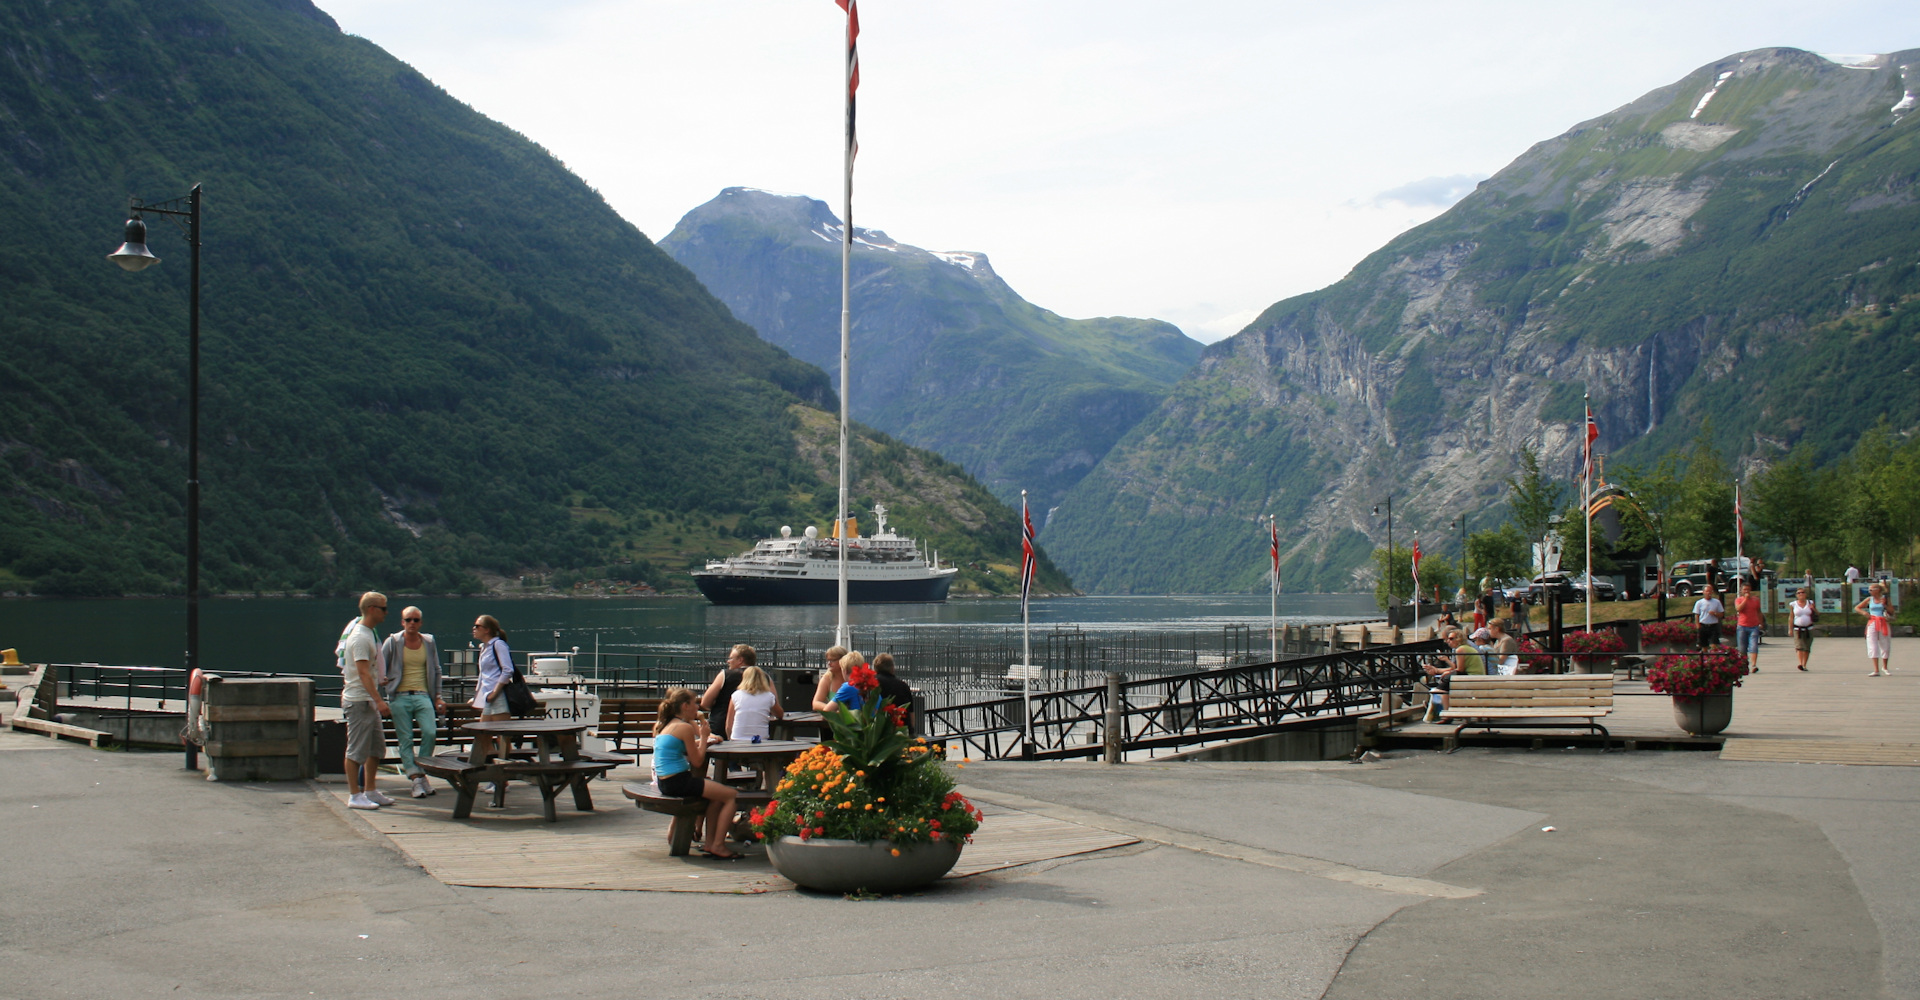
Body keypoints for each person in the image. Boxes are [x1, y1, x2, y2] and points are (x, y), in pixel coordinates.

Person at [651, 688, 741, 859]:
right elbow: (698, 761)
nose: (698, 707)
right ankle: (718, 845)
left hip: (666, 781)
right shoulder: (683, 727)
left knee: (715, 797)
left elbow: (685, 748)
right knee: (732, 796)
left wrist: (701, 740)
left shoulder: (668, 724)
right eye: (694, 703)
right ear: (685, 706)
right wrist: (705, 737)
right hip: (678, 781)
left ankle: (710, 844)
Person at [380, 606, 446, 798]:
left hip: (423, 695)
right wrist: (379, 696)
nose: (412, 623)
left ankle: (421, 771)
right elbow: (380, 669)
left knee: (429, 732)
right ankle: (416, 778)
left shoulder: (428, 642)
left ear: (421, 623)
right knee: (405, 739)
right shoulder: (392, 642)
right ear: (402, 622)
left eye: (416, 620)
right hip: (399, 696)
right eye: (408, 620)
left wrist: (438, 696)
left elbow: (437, 669)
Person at [337, 592, 391, 811]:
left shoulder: (369, 633)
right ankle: (354, 795)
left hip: (368, 700)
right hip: (359, 700)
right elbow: (363, 673)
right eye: (383, 608)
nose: (386, 612)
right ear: (371, 609)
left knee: (376, 749)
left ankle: (370, 790)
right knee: (356, 751)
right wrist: (378, 700)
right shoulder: (359, 637)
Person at [469, 615, 514, 776]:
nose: (474, 629)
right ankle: (493, 773)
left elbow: (507, 670)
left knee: (502, 738)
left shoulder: (498, 645)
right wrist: (478, 695)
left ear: (487, 629)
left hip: (498, 696)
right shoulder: (484, 647)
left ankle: (502, 778)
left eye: (477, 626)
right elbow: (484, 676)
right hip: (488, 697)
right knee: (483, 735)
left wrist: (496, 692)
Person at [1421, 629, 1483, 722]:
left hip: (1472, 676)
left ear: (1458, 639)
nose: (1448, 641)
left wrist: (1445, 672)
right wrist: (1438, 670)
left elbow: (1460, 669)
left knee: (1442, 688)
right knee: (1444, 685)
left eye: (1451, 638)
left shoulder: (1460, 649)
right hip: (1475, 676)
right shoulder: (1466, 647)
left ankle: (1446, 714)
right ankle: (1445, 713)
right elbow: (1455, 668)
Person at [724, 665, 783, 741]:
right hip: (760, 740)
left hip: (737, 739)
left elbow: (728, 725)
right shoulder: (769, 696)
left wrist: (730, 738)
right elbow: (780, 714)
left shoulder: (736, 695)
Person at [701, 644, 752, 731]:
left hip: (721, 725)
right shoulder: (764, 677)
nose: (728, 661)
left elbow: (705, 702)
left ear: (740, 660)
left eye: (731, 658)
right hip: (751, 727)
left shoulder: (725, 675)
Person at [1855, 582, 1896, 677]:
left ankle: (1885, 667)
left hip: (1883, 622)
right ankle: (1876, 669)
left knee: (1885, 644)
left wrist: (1885, 604)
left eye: (1871, 590)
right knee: (1872, 644)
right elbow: (1857, 607)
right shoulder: (1869, 599)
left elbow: (1891, 611)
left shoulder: (1884, 599)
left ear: (1877, 590)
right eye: (1869, 590)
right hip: (1872, 622)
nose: (1869, 591)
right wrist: (1864, 613)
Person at [871, 652, 915, 730]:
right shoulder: (903, 686)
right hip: (902, 730)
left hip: (880, 732)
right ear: (892, 668)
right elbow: (911, 713)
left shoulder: (872, 683)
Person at [1732, 582, 1763, 674]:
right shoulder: (1739, 600)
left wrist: (1760, 622)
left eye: (1748, 589)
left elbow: (1758, 611)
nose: (1747, 591)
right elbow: (1738, 609)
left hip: (1754, 626)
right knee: (1742, 648)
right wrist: (1745, 599)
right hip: (1742, 626)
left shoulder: (1756, 600)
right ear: (1741, 591)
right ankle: (1744, 665)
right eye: (1745, 589)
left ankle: (1753, 665)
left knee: (1754, 646)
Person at [810, 645, 850, 711]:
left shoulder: (851, 677)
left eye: (833, 660)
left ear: (843, 660)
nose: (829, 663)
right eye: (828, 660)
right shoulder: (827, 679)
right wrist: (831, 709)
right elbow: (816, 703)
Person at [1788, 587, 1818, 672]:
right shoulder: (1793, 604)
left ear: (1806, 594)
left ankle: (1804, 664)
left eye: (1803, 592)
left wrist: (1813, 608)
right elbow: (1791, 617)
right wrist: (1790, 629)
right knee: (1799, 646)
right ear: (1796, 595)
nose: (1801, 594)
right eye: (1799, 593)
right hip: (1798, 628)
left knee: (1807, 647)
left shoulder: (1810, 603)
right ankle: (1800, 663)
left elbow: (1817, 614)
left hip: (1809, 628)